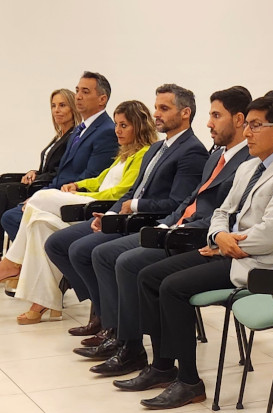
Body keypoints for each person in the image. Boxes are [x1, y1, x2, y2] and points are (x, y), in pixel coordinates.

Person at [131, 96, 273, 409]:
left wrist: (225, 244)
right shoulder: (249, 167)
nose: (247, 133)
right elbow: (222, 211)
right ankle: (162, 367)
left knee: (172, 288)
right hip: (229, 251)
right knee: (149, 276)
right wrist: (218, 235)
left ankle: (189, 381)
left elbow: (269, 236)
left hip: (259, 264)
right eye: (248, 125)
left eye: (256, 126)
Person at [84, 86, 253, 379]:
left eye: (216, 116)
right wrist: (166, 225)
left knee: (130, 263)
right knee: (107, 254)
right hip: (179, 228)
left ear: (238, 119)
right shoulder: (217, 156)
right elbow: (189, 200)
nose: (208, 123)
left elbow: (226, 215)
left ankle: (139, 350)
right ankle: (130, 343)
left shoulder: (247, 162)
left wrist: (178, 229)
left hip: (199, 237)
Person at [45, 85, 209, 343]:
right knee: (57, 243)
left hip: (149, 222)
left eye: (164, 108)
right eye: (156, 107)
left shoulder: (192, 150)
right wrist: (110, 215)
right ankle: (105, 313)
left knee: (90, 251)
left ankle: (114, 328)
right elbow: (132, 191)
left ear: (185, 113)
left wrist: (133, 207)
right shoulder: (157, 148)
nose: (157, 114)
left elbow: (176, 204)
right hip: (126, 218)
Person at [0, 101, 156, 324]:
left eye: (124, 125)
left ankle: (13, 263)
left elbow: (122, 191)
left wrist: (81, 194)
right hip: (92, 199)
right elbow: (100, 179)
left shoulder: (143, 154)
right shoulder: (125, 153)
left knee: (40, 198)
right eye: (117, 125)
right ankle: (44, 301)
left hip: (100, 207)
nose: (117, 131)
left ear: (139, 127)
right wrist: (78, 185)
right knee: (39, 222)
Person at [1, 72, 118, 241]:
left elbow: (91, 178)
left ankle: (40, 257)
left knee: (13, 217)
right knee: (11, 214)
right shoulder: (79, 131)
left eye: (85, 92)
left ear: (102, 99)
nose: (78, 96)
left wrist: (46, 198)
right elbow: (61, 173)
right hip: (58, 192)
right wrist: (41, 195)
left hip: (75, 201)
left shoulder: (106, 131)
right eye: (77, 91)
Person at [0, 89, 80, 223]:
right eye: (53, 106)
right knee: (3, 181)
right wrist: (34, 172)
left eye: (62, 105)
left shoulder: (74, 138)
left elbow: (60, 171)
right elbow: (48, 166)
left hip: (48, 186)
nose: (56, 110)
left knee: (3, 191)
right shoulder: (58, 137)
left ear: (73, 108)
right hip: (41, 180)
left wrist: (38, 177)